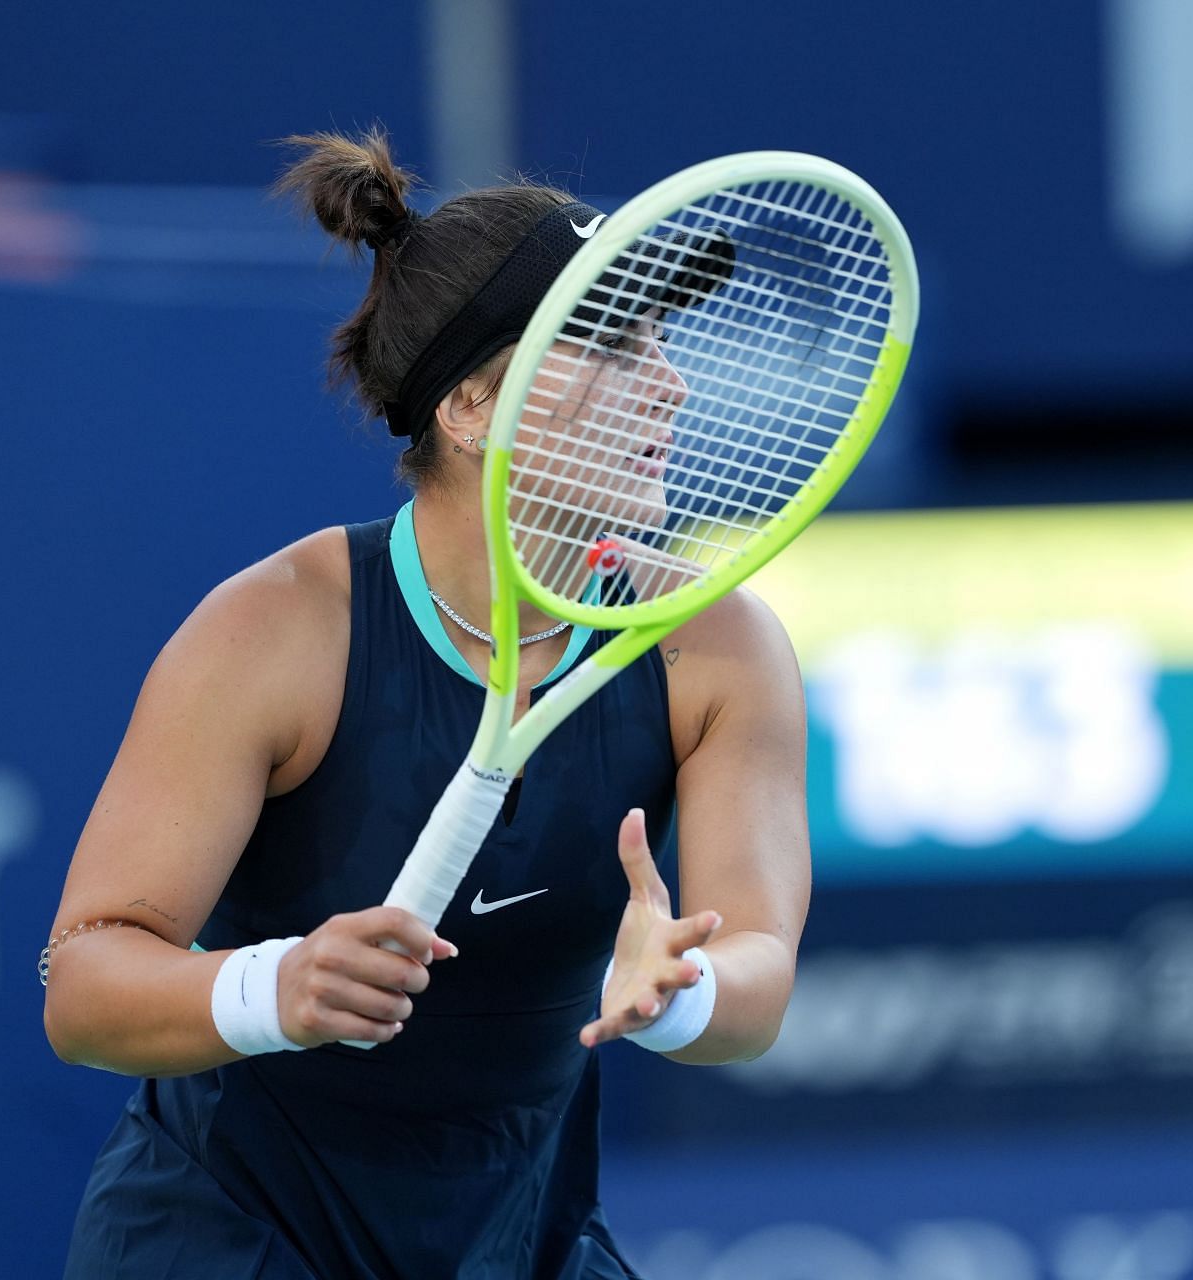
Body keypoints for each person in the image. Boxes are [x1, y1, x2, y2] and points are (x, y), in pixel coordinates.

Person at [41, 126, 810, 1280]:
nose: (672, 381)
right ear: (472, 406)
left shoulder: (717, 648)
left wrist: (686, 988)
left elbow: (758, 973)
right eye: (615, 345)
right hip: (224, 1242)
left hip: (517, 1240)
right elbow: (85, 984)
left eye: (663, 338)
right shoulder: (275, 631)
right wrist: (273, 985)